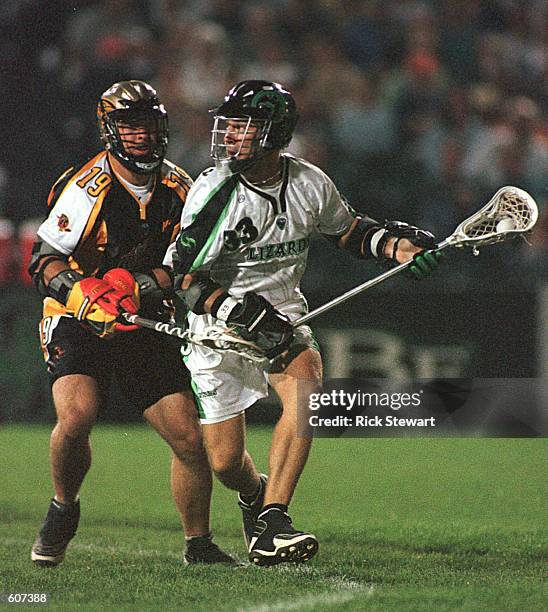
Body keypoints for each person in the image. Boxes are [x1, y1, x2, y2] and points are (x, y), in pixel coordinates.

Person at [163, 80, 443, 566]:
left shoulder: (309, 182)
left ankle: (273, 522)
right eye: (227, 126)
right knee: (226, 462)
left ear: (272, 133)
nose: (229, 136)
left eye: (241, 127)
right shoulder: (213, 193)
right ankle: (254, 494)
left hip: (285, 319)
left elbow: (350, 230)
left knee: (308, 385)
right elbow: (181, 279)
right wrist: (237, 311)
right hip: (218, 329)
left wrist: (398, 248)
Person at [28, 80, 235, 567]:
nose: (140, 135)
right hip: (78, 318)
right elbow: (43, 259)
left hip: (142, 319)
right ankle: (63, 509)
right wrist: (81, 293)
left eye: (148, 124)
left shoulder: (181, 188)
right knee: (76, 417)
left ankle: (198, 545)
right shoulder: (85, 187)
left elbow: (186, 267)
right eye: (129, 124)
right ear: (109, 129)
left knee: (188, 437)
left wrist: (136, 287)